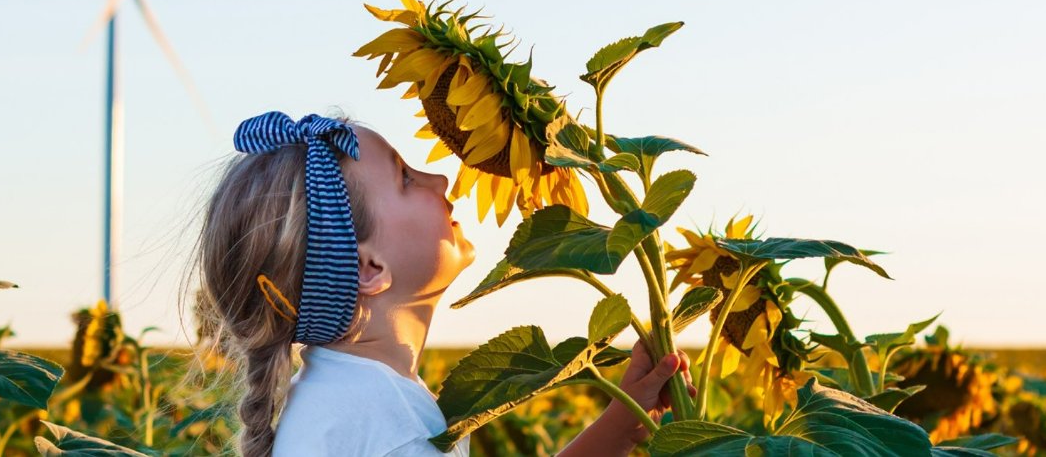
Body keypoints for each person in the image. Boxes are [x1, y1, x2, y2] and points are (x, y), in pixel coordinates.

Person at [187, 111, 693, 456]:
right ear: (369, 268)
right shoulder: (388, 422)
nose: (440, 181)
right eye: (406, 178)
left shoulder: (344, 398)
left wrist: (623, 425)